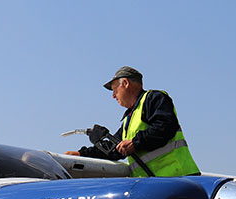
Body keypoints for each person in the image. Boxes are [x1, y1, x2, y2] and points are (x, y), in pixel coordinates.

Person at [65, 66, 199, 177]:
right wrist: (81, 154)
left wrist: (135, 143)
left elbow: (165, 127)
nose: (113, 96)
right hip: (156, 185)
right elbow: (114, 151)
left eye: (115, 90)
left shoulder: (154, 99)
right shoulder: (129, 120)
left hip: (179, 179)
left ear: (126, 83)